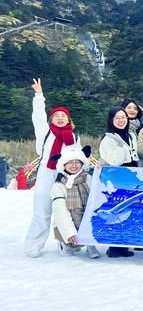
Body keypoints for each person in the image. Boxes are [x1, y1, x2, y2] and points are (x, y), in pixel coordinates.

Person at [24, 78, 81, 258]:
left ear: (69, 119)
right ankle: (34, 245)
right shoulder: (45, 132)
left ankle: (66, 245)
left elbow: (77, 158)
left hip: (65, 177)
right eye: (56, 115)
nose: (60, 118)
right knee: (42, 211)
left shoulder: (74, 137)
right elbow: (38, 116)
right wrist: (39, 96)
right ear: (51, 119)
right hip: (46, 173)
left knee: (65, 212)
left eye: (63, 115)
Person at [99, 107, 140, 258]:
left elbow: (134, 155)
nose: (121, 121)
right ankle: (114, 247)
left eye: (123, 117)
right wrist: (121, 146)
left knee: (128, 210)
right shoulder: (108, 139)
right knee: (115, 209)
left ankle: (124, 244)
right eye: (117, 118)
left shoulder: (131, 135)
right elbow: (114, 161)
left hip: (131, 173)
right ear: (111, 120)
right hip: (117, 176)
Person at [50, 146, 100, 259]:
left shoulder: (89, 179)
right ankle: (65, 243)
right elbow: (60, 212)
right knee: (72, 244)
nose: (74, 165)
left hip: (86, 219)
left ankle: (90, 245)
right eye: (70, 162)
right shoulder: (58, 186)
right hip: (68, 221)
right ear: (63, 165)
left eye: (77, 162)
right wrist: (69, 233)